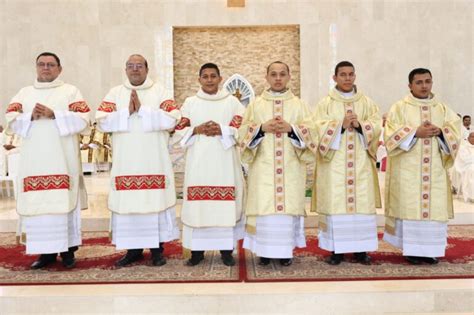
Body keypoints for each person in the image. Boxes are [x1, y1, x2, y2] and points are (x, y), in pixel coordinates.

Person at [5, 52, 90, 269]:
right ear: (36, 68)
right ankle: (45, 253)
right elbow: (10, 119)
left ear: (59, 69)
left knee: (63, 204)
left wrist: (55, 115)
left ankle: (68, 251)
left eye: (51, 65)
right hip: (35, 163)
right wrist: (29, 117)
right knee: (40, 207)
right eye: (41, 64)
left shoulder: (70, 91)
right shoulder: (24, 94)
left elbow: (83, 119)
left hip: (63, 160)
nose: (46, 68)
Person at [96, 54, 180, 267]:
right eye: (131, 66)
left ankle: (156, 250)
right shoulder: (115, 93)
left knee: (154, 203)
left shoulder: (159, 91)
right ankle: (132, 250)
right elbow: (102, 122)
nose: (135, 70)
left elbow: (172, 119)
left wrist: (143, 111)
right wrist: (126, 112)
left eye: (139, 66)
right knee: (130, 205)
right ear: (125, 70)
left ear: (147, 69)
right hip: (126, 162)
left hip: (153, 160)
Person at [238, 61, 316, 266]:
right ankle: (264, 251)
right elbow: (242, 132)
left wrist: (292, 129)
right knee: (266, 211)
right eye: (274, 74)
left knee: (285, 213)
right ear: (267, 77)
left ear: (289, 77)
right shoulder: (256, 105)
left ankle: (285, 252)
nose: (278, 78)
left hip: (290, 168)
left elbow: (313, 132)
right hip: (264, 168)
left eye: (282, 74)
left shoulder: (299, 105)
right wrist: (262, 128)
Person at [383, 68, 461, 265]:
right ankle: (413, 251)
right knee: (412, 211)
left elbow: (455, 130)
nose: (424, 86)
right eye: (419, 82)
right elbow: (389, 135)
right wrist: (414, 133)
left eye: (427, 81)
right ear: (410, 85)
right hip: (409, 172)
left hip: (434, 171)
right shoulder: (399, 107)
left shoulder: (441, 108)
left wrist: (442, 132)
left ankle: (430, 251)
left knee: (433, 211)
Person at [311, 61, 382, 265]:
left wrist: (361, 126)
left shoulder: (367, 102)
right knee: (337, 207)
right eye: (342, 74)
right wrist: (339, 126)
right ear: (334, 77)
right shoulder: (325, 103)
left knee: (361, 206)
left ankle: (362, 250)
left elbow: (377, 125)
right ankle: (336, 250)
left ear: (355, 76)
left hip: (360, 163)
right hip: (335, 166)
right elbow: (316, 128)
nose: (347, 78)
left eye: (351, 74)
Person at [175, 63, 245, 266]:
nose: (209, 80)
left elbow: (242, 125)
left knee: (224, 208)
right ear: (199, 79)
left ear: (220, 79)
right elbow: (180, 128)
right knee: (199, 207)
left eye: (213, 76)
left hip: (224, 162)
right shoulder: (190, 102)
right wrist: (196, 129)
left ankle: (225, 251)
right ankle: (197, 252)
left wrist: (222, 129)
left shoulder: (232, 102)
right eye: (205, 76)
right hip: (198, 162)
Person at [454, 132, 474, 202]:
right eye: (472, 137)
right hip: (465, 166)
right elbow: (464, 159)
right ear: (468, 138)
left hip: (471, 164)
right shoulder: (463, 147)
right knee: (472, 170)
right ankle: (471, 195)